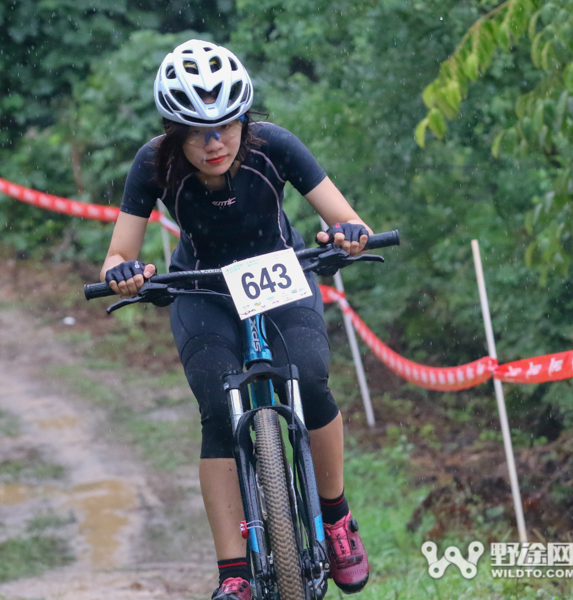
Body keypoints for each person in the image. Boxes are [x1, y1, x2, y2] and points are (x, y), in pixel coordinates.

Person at [99, 39, 372, 599]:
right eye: (198, 131)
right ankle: (234, 575)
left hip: (280, 272)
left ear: (246, 120)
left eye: (227, 125)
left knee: (312, 381)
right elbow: (117, 254)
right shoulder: (154, 163)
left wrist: (345, 235)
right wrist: (125, 273)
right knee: (218, 411)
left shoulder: (276, 146)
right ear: (176, 132)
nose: (215, 141)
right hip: (201, 287)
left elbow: (346, 219)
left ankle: (337, 517)